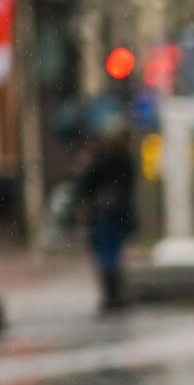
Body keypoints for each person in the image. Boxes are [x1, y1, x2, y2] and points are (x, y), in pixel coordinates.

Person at [74, 122, 138, 314]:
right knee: (113, 253)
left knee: (106, 253)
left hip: (104, 212)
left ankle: (111, 295)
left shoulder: (101, 159)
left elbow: (86, 185)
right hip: (116, 212)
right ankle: (115, 294)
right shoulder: (124, 159)